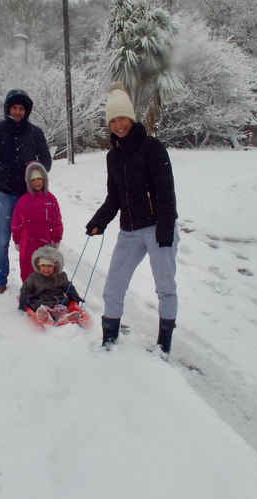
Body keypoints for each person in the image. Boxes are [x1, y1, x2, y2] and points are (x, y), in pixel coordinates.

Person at [85, 83, 179, 354]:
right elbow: (114, 197)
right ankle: (109, 341)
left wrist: (166, 226)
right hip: (130, 231)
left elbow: (165, 190)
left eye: (122, 118)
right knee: (113, 285)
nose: (118, 125)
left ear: (131, 117)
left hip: (158, 228)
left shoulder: (152, 148)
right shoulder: (112, 157)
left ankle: (164, 345)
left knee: (165, 287)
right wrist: (99, 220)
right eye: (112, 120)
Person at [0, 89, 52, 293]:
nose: (18, 112)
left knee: (33, 239)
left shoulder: (35, 133)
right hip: (4, 194)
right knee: (2, 238)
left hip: (29, 196)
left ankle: (35, 279)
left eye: (21, 108)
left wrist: (36, 175)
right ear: (8, 109)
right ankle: (1, 280)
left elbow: (46, 161)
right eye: (14, 108)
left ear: (26, 111)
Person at [11, 161, 63, 283]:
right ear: (28, 182)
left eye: (40, 178)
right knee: (27, 267)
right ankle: (28, 291)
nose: (37, 182)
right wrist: (17, 240)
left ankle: (47, 292)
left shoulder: (51, 199)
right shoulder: (23, 201)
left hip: (45, 241)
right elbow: (16, 224)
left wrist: (56, 238)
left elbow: (57, 221)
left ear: (44, 179)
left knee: (46, 266)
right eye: (33, 179)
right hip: (27, 243)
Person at [18, 245, 82, 324]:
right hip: (41, 301)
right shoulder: (33, 277)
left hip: (58, 301)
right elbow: (25, 289)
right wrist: (23, 302)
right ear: (38, 266)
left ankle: (66, 317)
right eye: (43, 266)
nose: (46, 269)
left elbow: (68, 287)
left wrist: (74, 298)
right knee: (40, 307)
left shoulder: (60, 276)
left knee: (62, 308)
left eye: (49, 266)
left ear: (55, 266)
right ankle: (44, 316)